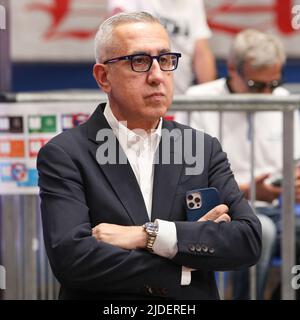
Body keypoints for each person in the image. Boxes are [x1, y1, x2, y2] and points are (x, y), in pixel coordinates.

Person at [37, 12, 261, 300]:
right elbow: (73, 259)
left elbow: (247, 241)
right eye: (139, 61)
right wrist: (185, 263)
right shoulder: (65, 154)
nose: (157, 76)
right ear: (104, 77)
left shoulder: (202, 147)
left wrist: (148, 235)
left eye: (165, 60)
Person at [186, 29, 300, 300]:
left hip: (279, 208)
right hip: (223, 211)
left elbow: (295, 160)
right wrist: (248, 191)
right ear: (232, 69)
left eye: (272, 84)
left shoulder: (283, 99)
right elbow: (190, 179)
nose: (266, 94)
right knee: (261, 230)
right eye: (256, 86)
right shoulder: (197, 100)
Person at [107, 0, 216, 94]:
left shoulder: (192, 2)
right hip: (140, 96)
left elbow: (202, 53)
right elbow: (120, 39)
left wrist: (209, 101)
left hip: (180, 98)